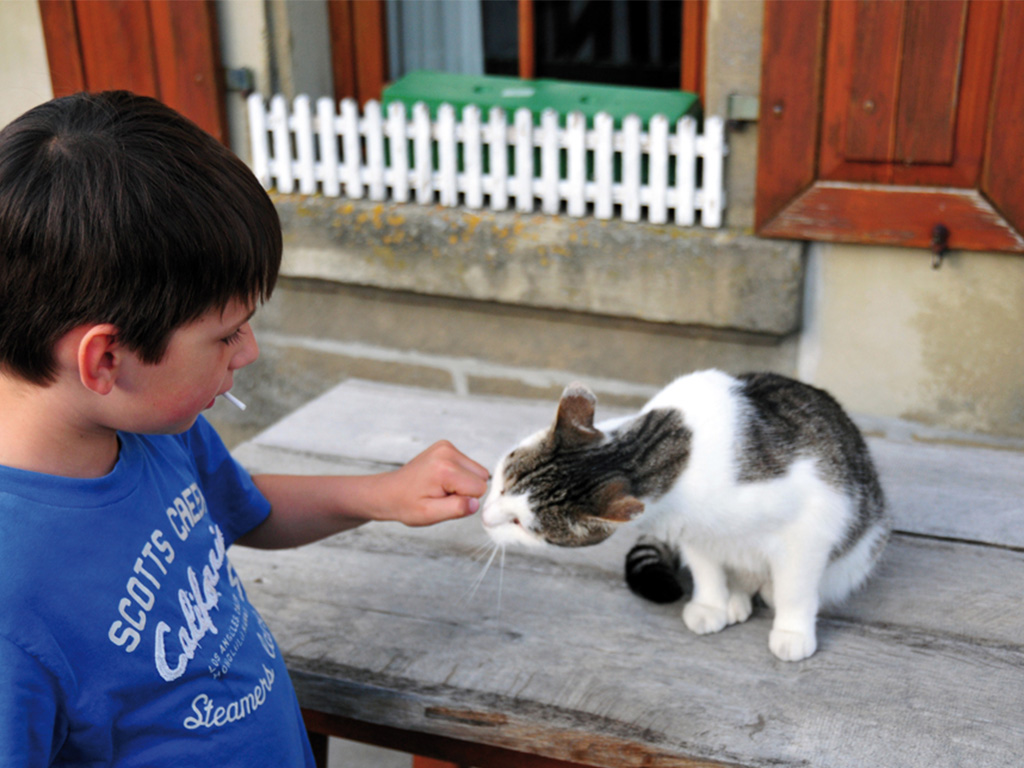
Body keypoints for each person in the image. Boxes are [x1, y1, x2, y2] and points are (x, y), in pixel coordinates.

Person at [0, 91, 490, 767]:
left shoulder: (152, 430)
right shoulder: (13, 599)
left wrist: (383, 495)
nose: (249, 351)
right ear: (106, 358)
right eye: (225, 335)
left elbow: (240, 506)